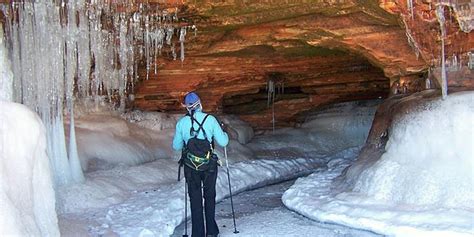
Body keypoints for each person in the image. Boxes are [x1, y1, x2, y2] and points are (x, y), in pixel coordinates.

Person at [172, 92, 229, 237]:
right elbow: (223, 142)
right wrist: (225, 132)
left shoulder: (181, 123)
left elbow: (176, 146)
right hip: (209, 165)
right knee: (209, 196)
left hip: (191, 167)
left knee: (195, 198)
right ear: (200, 104)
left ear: (187, 107)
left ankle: (197, 233)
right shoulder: (210, 120)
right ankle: (212, 230)